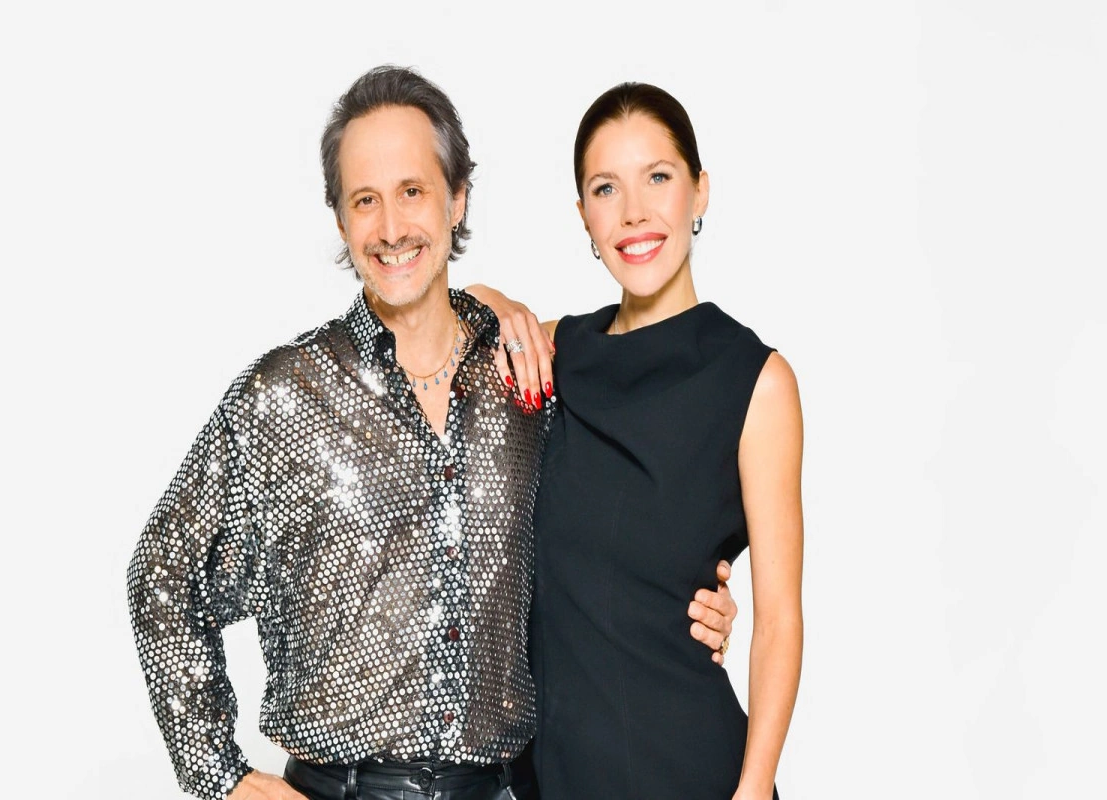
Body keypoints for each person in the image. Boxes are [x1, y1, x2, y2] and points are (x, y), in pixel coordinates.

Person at [127, 66, 738, 800]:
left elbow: (602, 544)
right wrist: (221, 773)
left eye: (413, 191)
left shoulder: (528, 379)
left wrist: (688, 601)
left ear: (457, 199)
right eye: (365, 200)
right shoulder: (284, 396)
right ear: (341, 219)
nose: (391, 228)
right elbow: (161, 573)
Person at [470, 82, 804, 799]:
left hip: (690, 771)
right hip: (551, 777)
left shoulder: (757, 382)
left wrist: (752, 792)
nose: (633, 212)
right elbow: (430, 317)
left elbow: (779, 620)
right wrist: (499, 302)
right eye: (605, 188)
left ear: (699, 191)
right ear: (584, 217)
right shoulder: (553, 354)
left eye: (657, 177)